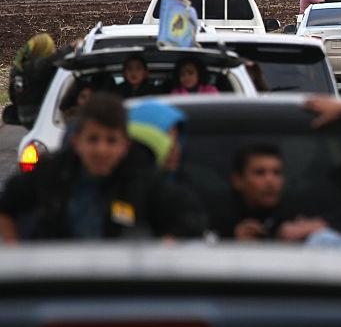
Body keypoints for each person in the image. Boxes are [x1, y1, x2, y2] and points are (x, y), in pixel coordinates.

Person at [0, 93, 206, 242]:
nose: (101, 150)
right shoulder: (52, 171)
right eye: (93, 139)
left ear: (125, 145)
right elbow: (6, 203)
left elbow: (191, 220)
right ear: (76, 142)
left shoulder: (142, 177)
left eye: (111, 141)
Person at [212, 144, 327, 241]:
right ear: (238, 180)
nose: (270, 181)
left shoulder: (299, 215)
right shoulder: (218, 219)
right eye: (260, 173)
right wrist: (231, 242)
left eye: (277, 172)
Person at [7, 33, 75, 126]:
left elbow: (12, 94)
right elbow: (50, 61)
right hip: (38, 115)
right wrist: (70, 47)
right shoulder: (35, 67)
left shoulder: (18, 68)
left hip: (22, 116)